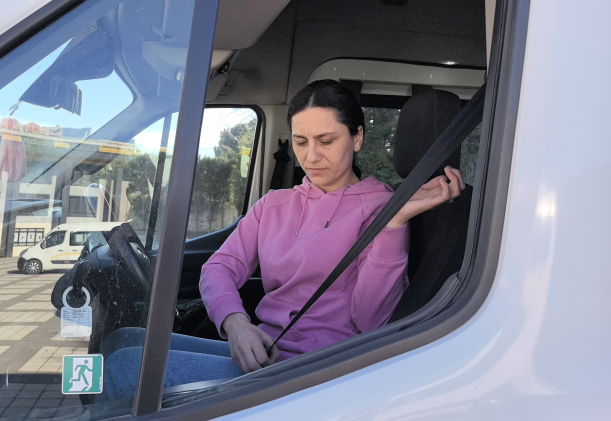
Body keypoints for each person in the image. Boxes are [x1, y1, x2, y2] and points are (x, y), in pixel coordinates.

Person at [102, 79, 464, 399]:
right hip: (267, 349)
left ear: (357, 138)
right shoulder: (274, 204)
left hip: (319, 370)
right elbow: (219, 267)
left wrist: (393, 224)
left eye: (326, 141)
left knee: (125, 367)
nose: (311, 156)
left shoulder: (383, 208)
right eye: (301, 141)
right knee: (126, 338)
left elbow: (372, 320)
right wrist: (237, 324)